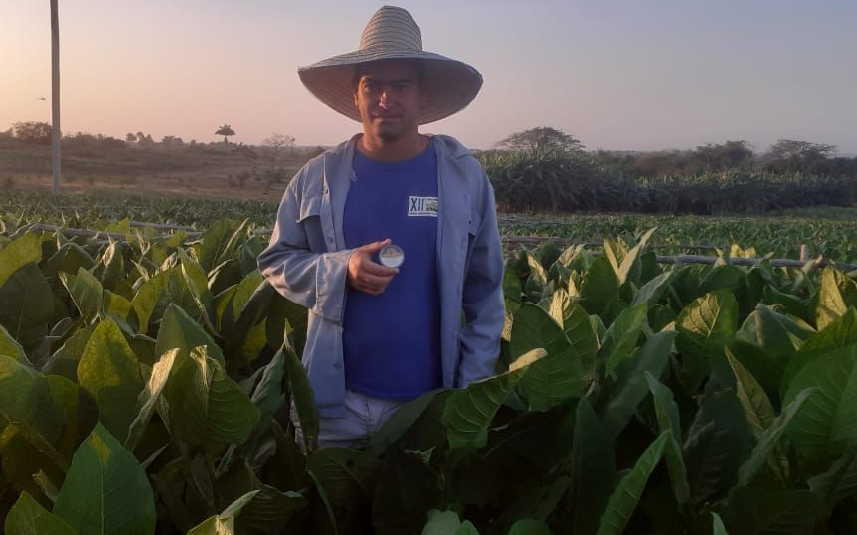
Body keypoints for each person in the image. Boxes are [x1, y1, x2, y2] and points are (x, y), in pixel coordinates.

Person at [257, 5, 504, 450]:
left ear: (422, 96)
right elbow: (276, 261)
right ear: (355, 95)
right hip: (333, 404)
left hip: (429, 404)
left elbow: (486, 295)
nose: (385, 98)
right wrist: (340, 268)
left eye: (400, 85)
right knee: (331, 515)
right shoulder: (317, 177)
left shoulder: (464, 177)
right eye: (373, 85)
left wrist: (470, 393)